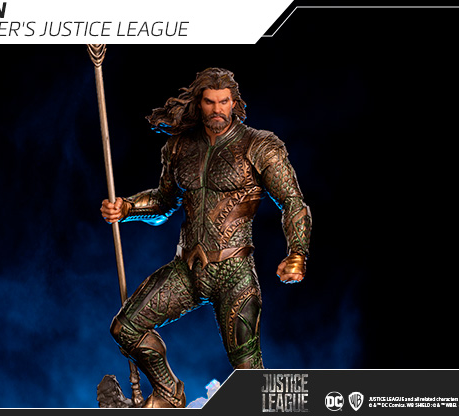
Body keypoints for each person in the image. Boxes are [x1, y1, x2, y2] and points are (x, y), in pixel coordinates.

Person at [100, 68, 312, 408]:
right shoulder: (179, 146)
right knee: (126, 327)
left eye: (223, 102)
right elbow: (164, 202)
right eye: (210, 102)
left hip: (234, 272)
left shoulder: (260, 146)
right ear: (199, 103)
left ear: (235, 103)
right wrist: (126, 207)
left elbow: (293, 202)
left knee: (249, 372)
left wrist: (297, 253)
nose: (217, 109)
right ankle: (168, 395)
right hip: (187, 268)